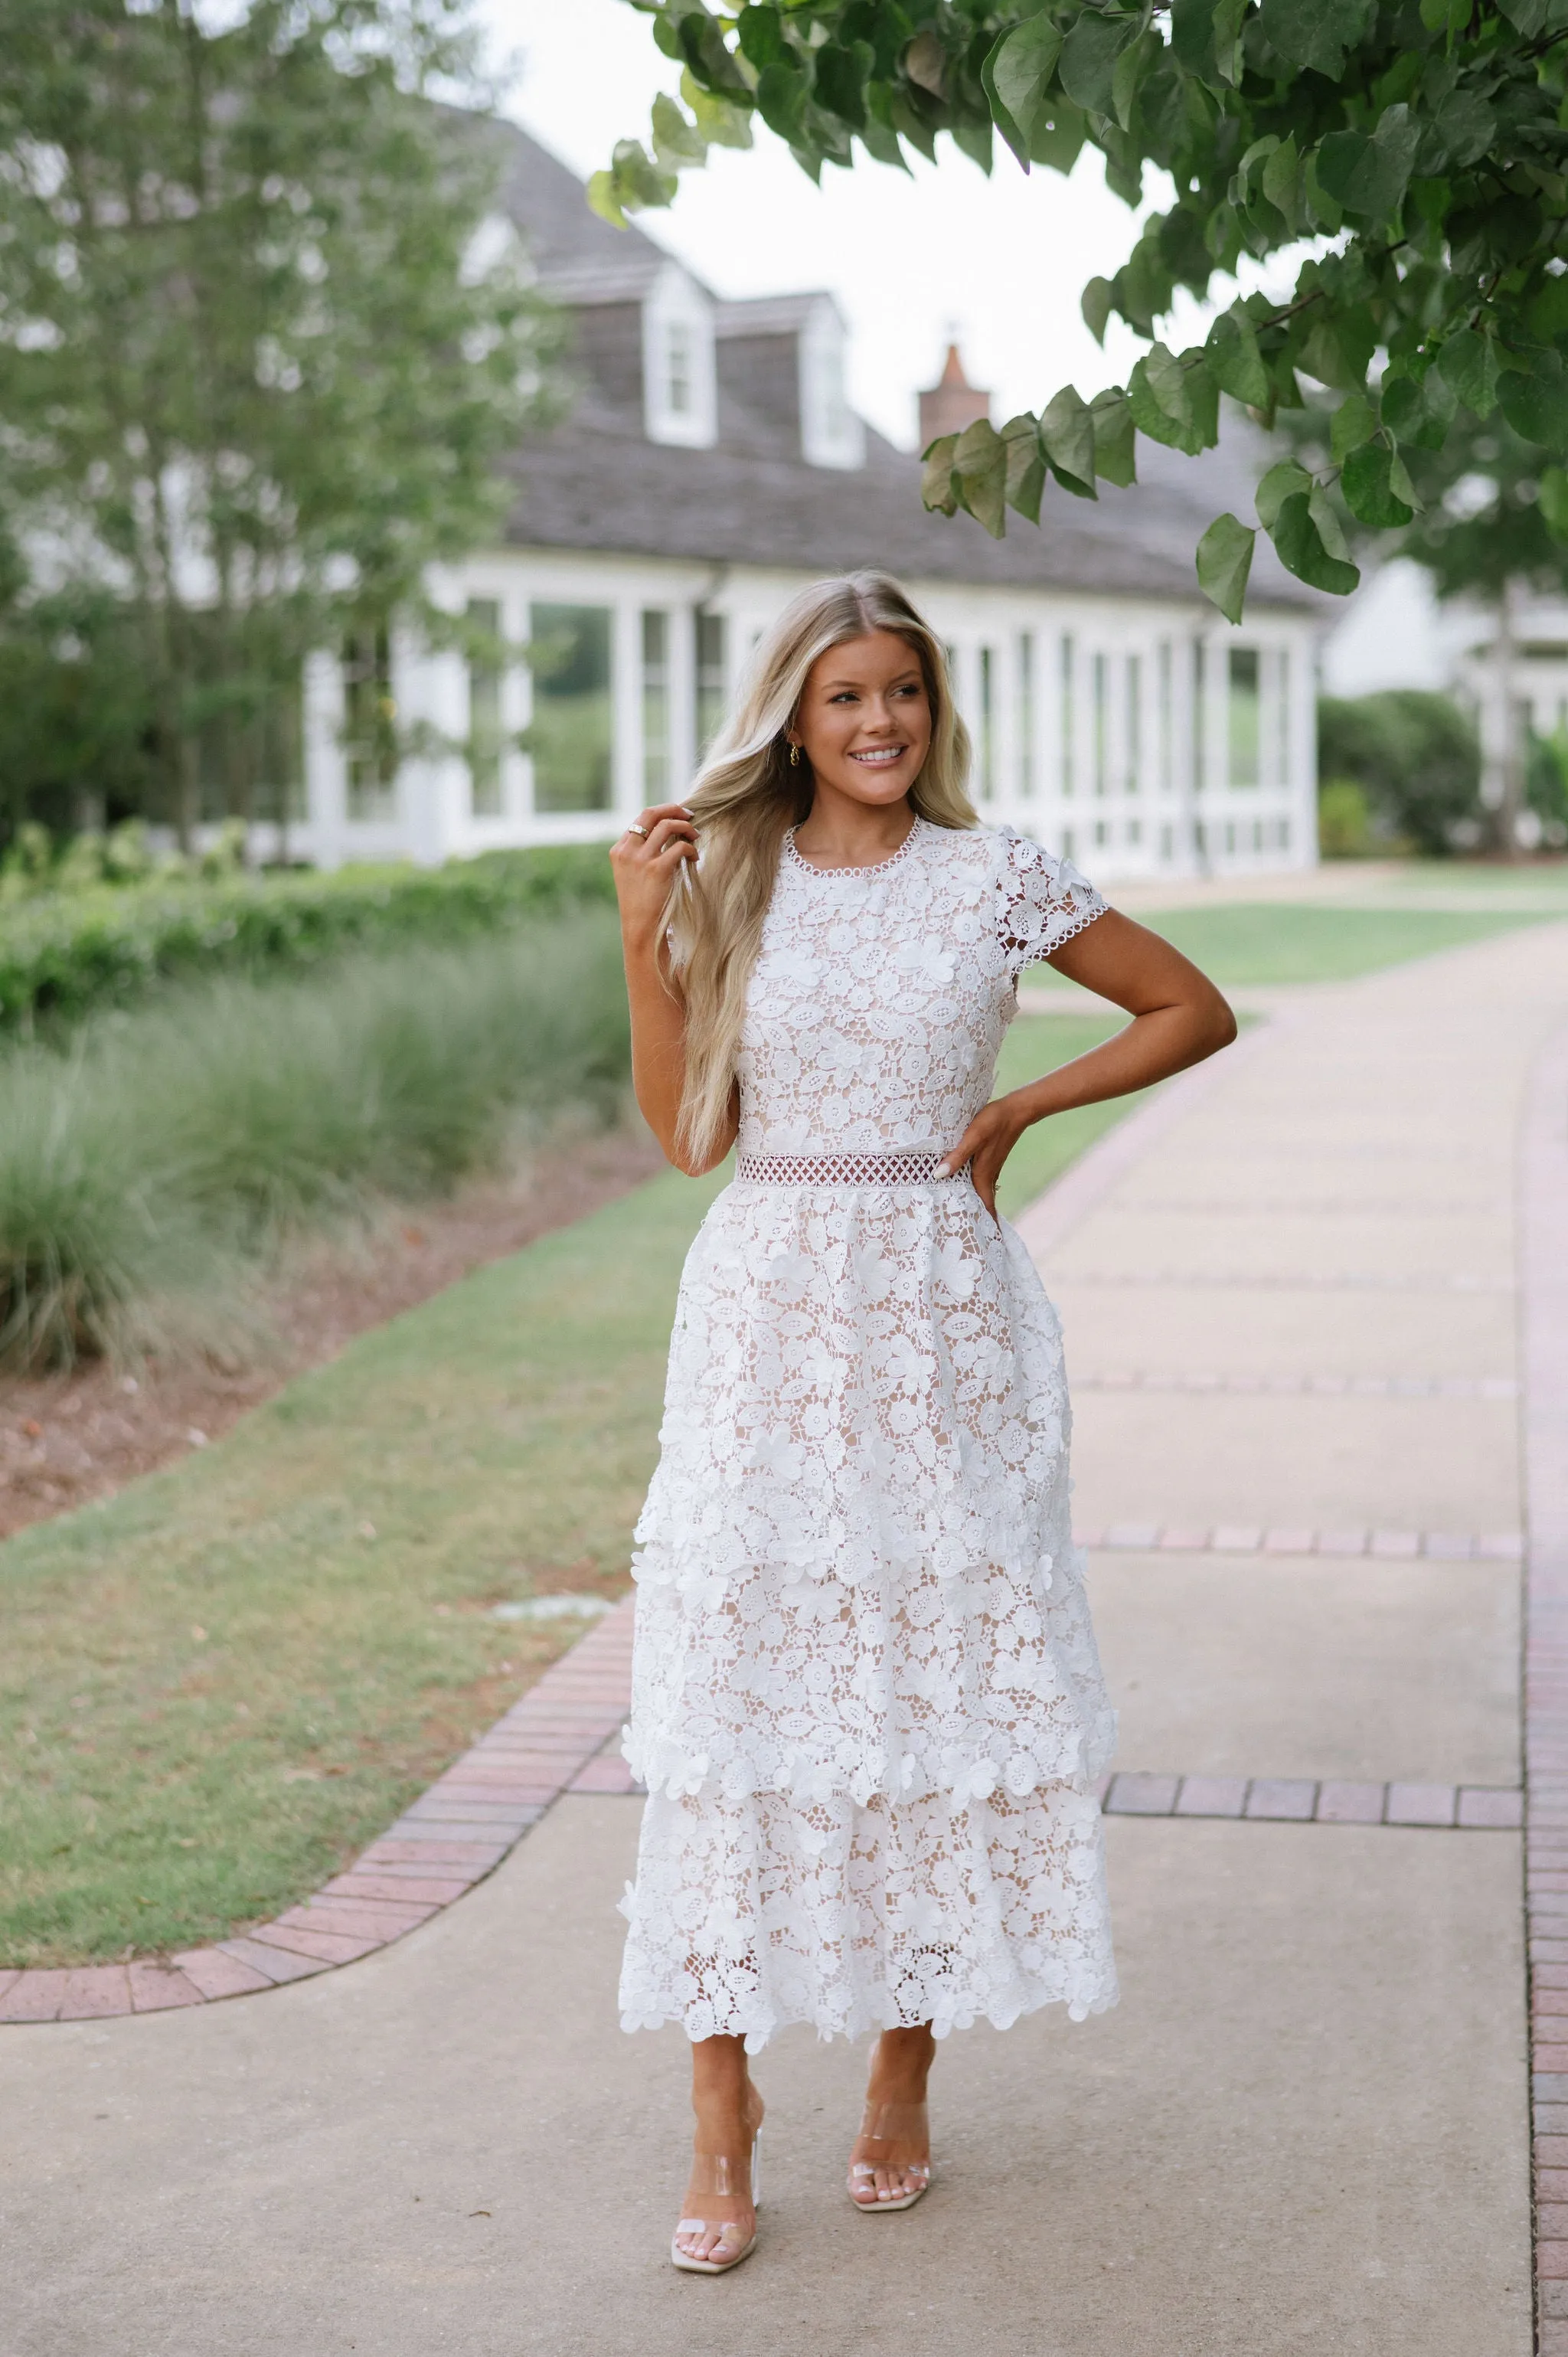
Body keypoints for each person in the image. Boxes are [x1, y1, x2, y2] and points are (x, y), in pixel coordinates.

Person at [609, 572, 1235, 2274]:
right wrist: (638, 927)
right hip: (764, 1318)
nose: (881, 723)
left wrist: (1026, 1098)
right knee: (743, 1685)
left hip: (941, 1319)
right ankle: (719, 2107)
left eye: (903, 692)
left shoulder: (996, 878)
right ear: (794, 724)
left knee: (928, 1686)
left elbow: (1192, 1005)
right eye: (845, 699)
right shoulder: (730, 879)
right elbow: (688, 1136)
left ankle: (902, 2069)